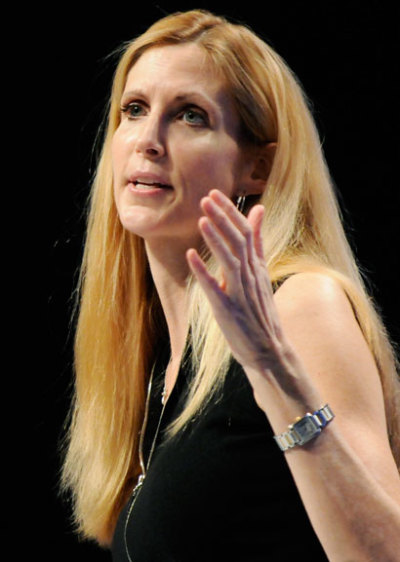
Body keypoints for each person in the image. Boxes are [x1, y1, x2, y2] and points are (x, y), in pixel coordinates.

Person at [61, 9, 400, 561]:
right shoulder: (154, 366)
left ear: (257, 169)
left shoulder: (299, 304)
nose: (148, 139)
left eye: (190, 116)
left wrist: (274, 370)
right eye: (135, 109)